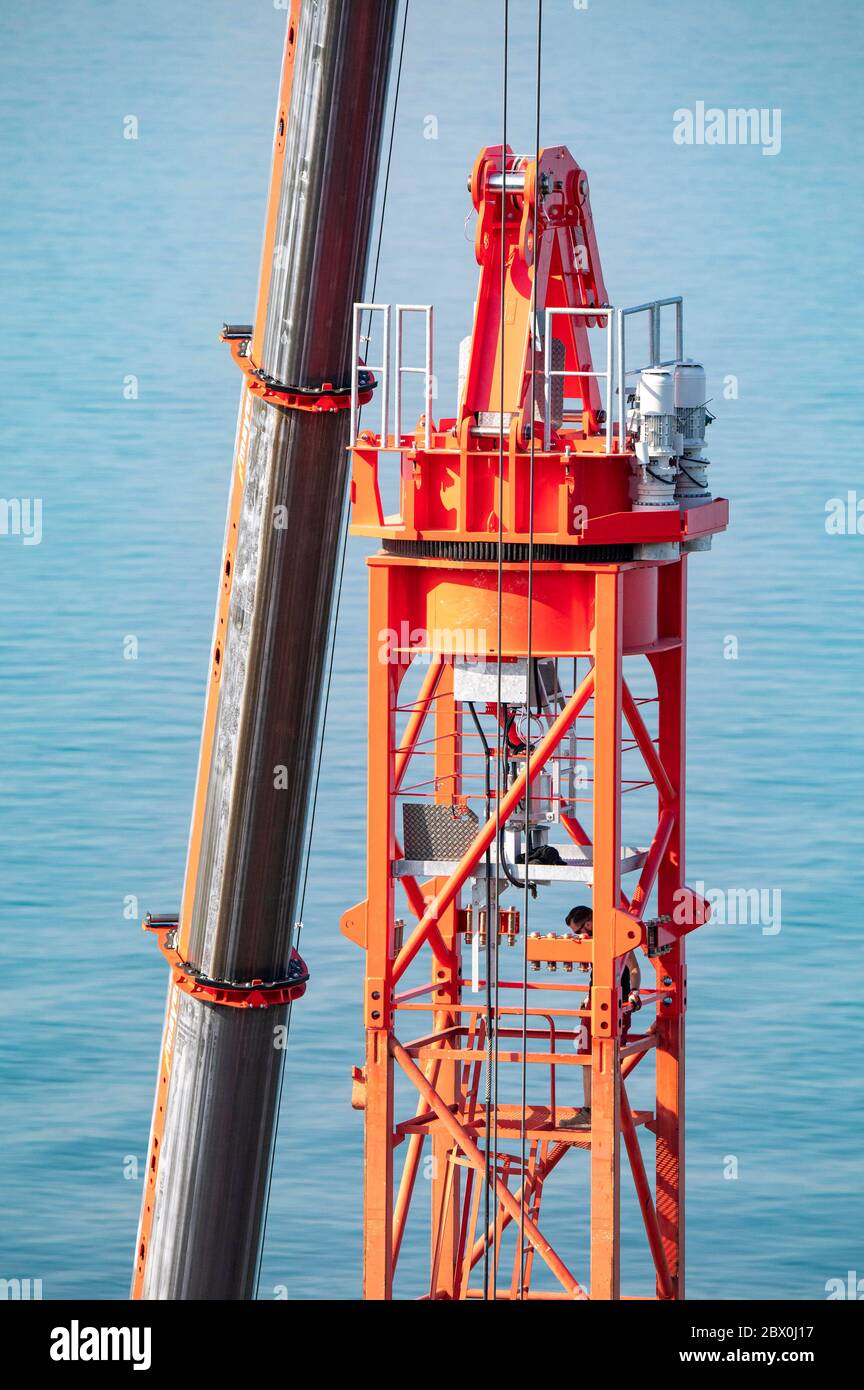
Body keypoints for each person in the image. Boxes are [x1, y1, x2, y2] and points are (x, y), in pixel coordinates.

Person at [559, 905, 642, 1129]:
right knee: (586, 1056)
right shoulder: (597, 940)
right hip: (595, 1005)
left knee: (611, 1057)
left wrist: (634, 993)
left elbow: (633, 969)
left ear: (588, 923)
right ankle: (591, 1109)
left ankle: (603, 1108)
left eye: (579, 931)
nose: (581, 937)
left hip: (616, 1005)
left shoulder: (616, 937)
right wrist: (589, 998)